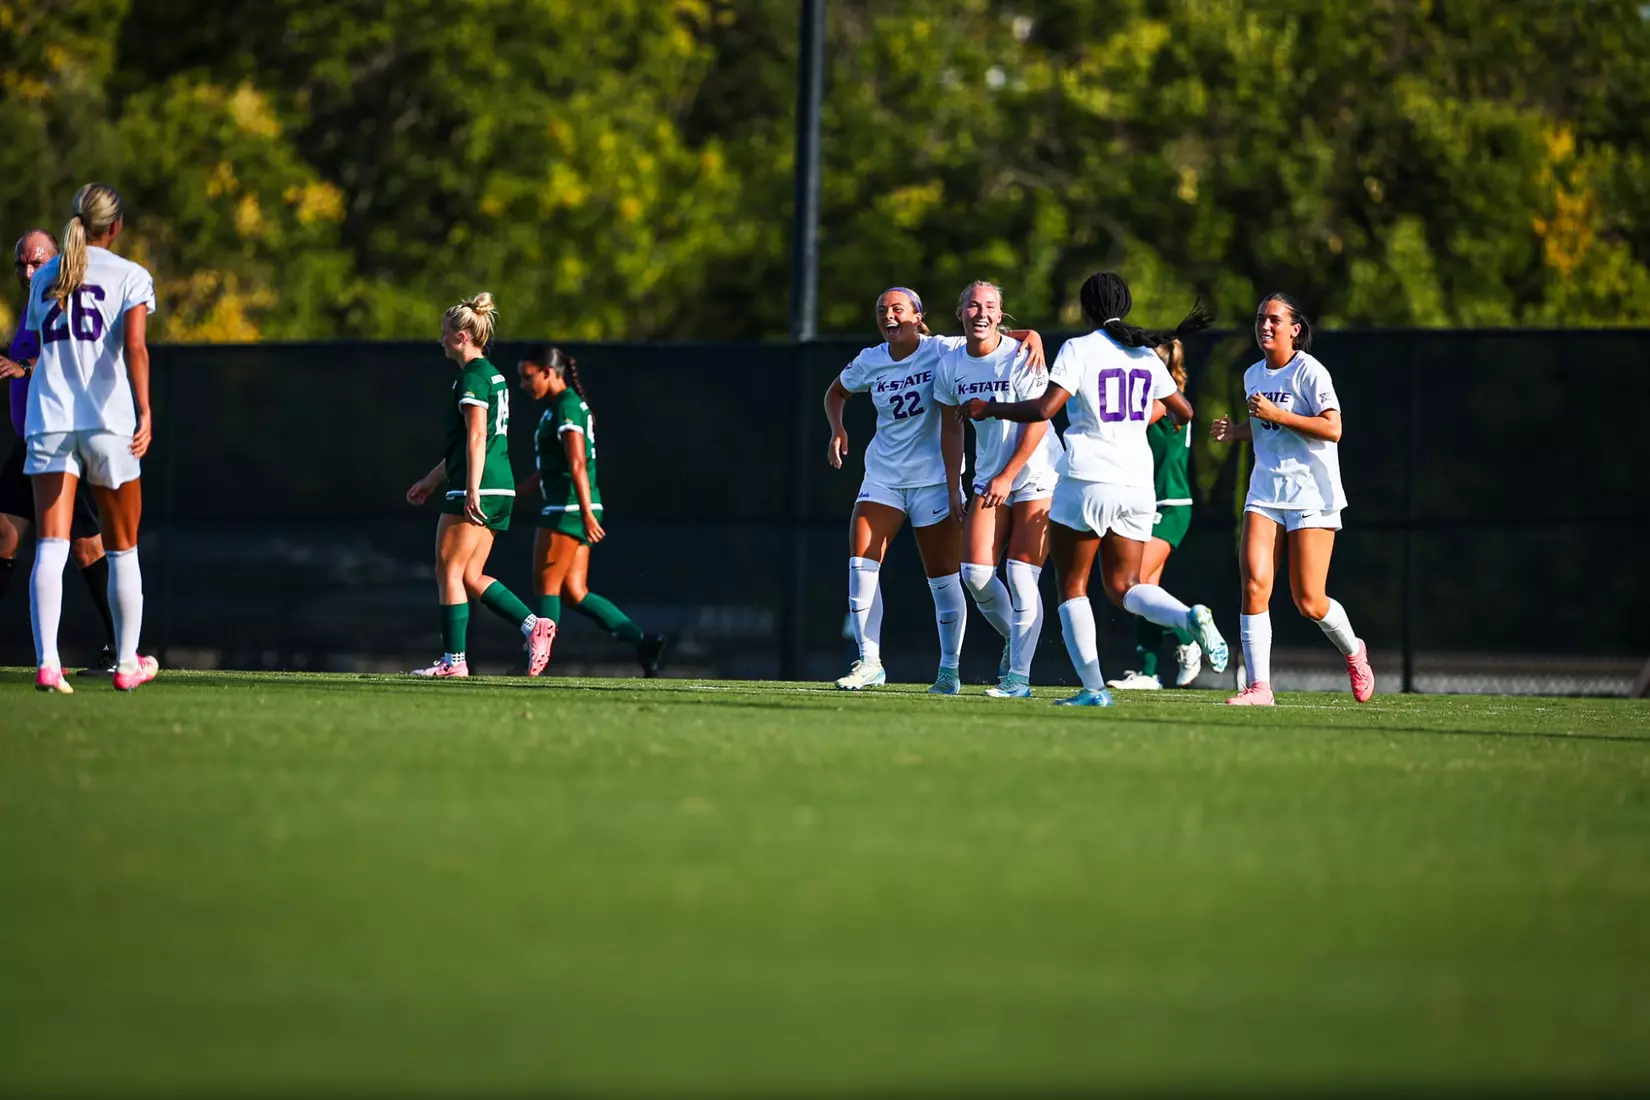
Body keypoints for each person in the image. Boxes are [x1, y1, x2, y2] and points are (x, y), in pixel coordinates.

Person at [963, 271, 1228, 707]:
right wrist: (1137, 416)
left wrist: (990, 407)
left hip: (1087, 479)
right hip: (1138, 484)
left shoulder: (1078, 349)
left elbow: (1045, 408)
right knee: (1126, 586)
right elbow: (1183, 410)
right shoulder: (1145, 355)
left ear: (1088, 309)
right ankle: (1187, 615)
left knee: (1073, 587)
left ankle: (1093, 689)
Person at [824, 286, 1044, 694]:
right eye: (882, 310)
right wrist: (837, 428)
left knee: (946, 580)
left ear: (917, 315)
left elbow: (990, 334)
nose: (889, 316)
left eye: (898, 309)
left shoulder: (943, 349)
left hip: (934, 482)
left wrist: (1031, 335)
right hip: (883, 477)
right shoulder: (871, 360)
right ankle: (869, 661)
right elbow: (836, 391)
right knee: (860, 566)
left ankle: (949, 671)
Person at [21, 184, 158, 692]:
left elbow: (42, 339)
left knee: (51, 547)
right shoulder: (131, 275)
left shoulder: (44, 279)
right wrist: (145, 410)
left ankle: (48, 663)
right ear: (116, 226)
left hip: (50, 417)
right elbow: (137, 349)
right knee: (123, 550)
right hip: (107, 421)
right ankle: (127, 665)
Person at [1210, 293, 1374, 705]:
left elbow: (1333, 429)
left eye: (1274, 320)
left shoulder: (1310, 372)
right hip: (1265, 491)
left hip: (1311, 493)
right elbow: (1263, 426)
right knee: (1254, 587)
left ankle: (1354, 652)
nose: (1265, 326)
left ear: (1295, 329)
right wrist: (1236, 432)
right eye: (1261, 319)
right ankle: (1259, 687)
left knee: (1308, 600)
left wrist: (1277, 415)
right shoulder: (1253, 375)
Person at [404, 292, 556, 678]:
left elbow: (475, 436)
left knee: (448, 572)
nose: (440, 340)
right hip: (499, 485)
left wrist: (470, 488)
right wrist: (431, 479)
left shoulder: (472, 376)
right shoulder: (492, 374)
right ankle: (533, 625)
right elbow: (473, 443)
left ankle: (454, 662)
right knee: (469, 576)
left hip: (480, 485)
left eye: (444, 333)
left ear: (462, 335)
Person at [933, 281, 1061, 698]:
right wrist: (954, 486)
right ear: (960, 313)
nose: (981, 313)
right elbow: (951, 428)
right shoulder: (951, 364)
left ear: (1002, 314)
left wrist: (1008, 477)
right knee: (975, 574)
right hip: (989, 476)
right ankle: (1015, 639)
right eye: (973, 305)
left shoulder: (1023, 356)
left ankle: (1018, 678)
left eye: (990, 306)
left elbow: (1039, 421)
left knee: (1022, 576)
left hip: (1036, 471)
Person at [1, 230, 118, 674]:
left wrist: (24, 366)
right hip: (29, 444)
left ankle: (120, 646)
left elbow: (65, 354)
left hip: (64, 442)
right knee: (4, 537)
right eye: (22, 265)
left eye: (36, 262)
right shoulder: (32, 304)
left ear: (55, 262)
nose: (29, 271)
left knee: (86, 549)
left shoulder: (64, 299)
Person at [515, 345, 666, 676]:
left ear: (549, 372)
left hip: (566, 509)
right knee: (575, 592)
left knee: (546, 588)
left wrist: (584, 513)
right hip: (575, 505)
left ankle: (536, 663)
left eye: (528, 378)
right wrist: (513, 495)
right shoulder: (561, 407)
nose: (524, 385)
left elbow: (577, 462)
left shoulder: (567, 407)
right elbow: (551, 469)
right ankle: (642, 642)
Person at [1106, 338, 1203, 690]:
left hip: (1169, 506)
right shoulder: (1161, 397)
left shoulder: (1161, 401)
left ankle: (1188, 633)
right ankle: (1148, 673)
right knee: (1146, 592)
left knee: (1132, 586)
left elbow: (1129, 421)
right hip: (1147, 503)